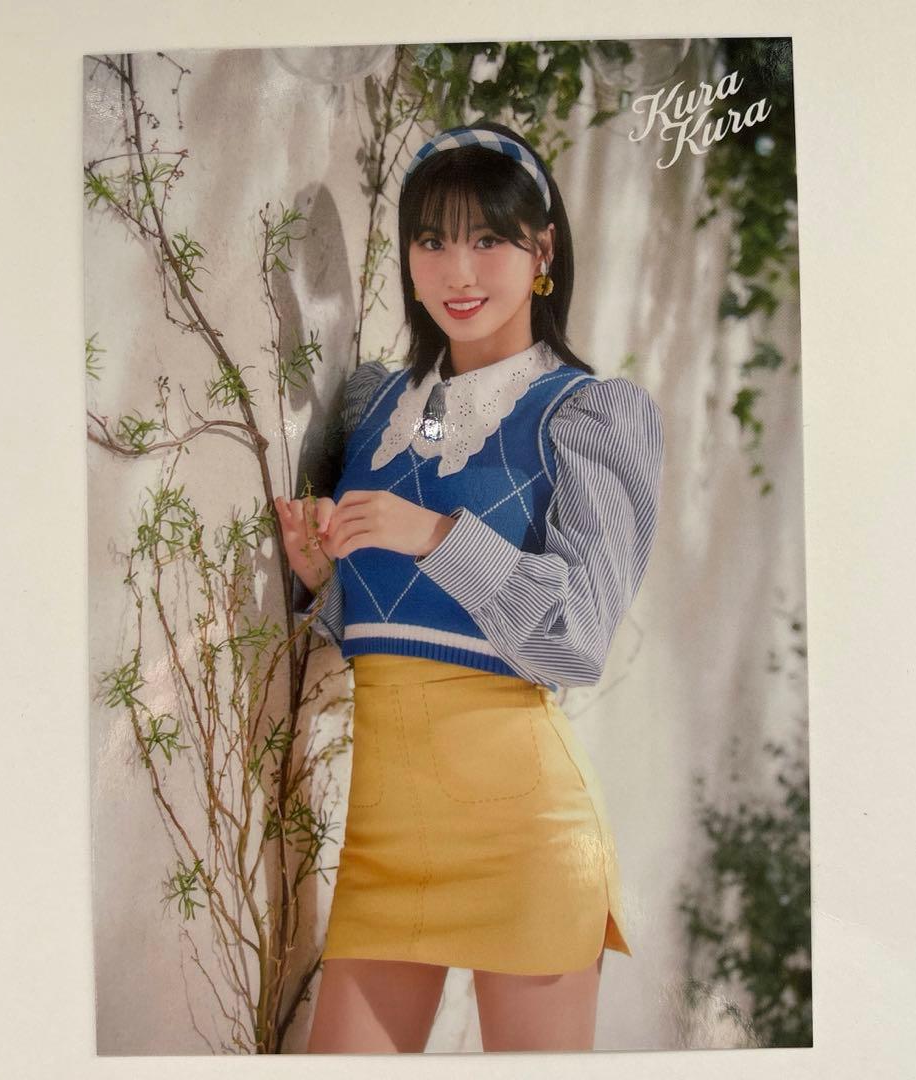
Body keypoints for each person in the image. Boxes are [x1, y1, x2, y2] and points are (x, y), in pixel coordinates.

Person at [273, 122, 664, 1053]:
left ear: (543, 252)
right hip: (384, 839)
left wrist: (436, 533)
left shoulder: (587, 414)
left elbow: (574, 637)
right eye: (432, 240)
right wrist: (323, 580)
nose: (458, 269)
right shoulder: (376, 406)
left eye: (488, 238)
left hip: (525, 839)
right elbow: (397, 625)